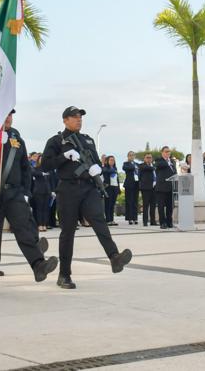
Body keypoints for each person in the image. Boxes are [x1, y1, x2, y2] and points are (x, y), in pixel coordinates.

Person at [41, 106, 131, 289]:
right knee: (68, 232)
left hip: (88, 188)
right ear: (65, 120)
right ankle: (64, 275)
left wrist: (97, 168)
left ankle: (114, 257)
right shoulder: (57, 141)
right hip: (68, 189)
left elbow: (96, 161)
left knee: (99, 221)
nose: (79, 120)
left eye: (80, 117)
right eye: (74, 117)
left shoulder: (88, 140)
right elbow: (45, 165)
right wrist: (64, 156)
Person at [0, 110, 58, 295]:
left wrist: (26, 192)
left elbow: (24, 168)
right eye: (4, 114)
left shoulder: (17, 139)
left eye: (10, 115)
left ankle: (38, 265)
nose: (7, 117)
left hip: (14, 193)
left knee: (25, 229)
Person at [154, 146, 177, 228]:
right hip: (161, 187)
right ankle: (162, 223)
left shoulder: (172, 161)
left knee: (170, 206)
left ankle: (169, 222)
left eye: (169, 151)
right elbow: (159, 165)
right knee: (161, 206)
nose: (168, 153)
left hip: (170, 187)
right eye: (166, 151)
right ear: (162, 152)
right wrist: (168, 162)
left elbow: (174, 172)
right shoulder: (159, 160)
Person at [30, 154, 52, 231]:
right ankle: (39, 224)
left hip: (47, 191)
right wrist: (42, 174)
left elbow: (51, 180)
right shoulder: (35, 168)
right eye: (40, 159)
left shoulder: (47, 169)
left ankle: (44, 224)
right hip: (38, 191)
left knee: (46, 209)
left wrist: (52, 191)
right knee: (39, 209)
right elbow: (33, 173)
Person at [137, 153, 157, 227]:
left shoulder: (154, 165)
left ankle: (153, 221)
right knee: (146, 205)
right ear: (144, 159)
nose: (149, 159)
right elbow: (148, 168)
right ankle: (145, 221)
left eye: (150, 157)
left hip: (154, 187)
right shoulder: (142, 165)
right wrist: (153, 167)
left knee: (153, 205)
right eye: (147, 157)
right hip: (146, 188)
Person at [122, 151, 140, 225]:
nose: (131, 156)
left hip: (136, 184)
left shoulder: (137, 164)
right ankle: (130, 218)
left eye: (133, 155)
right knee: (129, 201)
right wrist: (134, 166)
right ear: (128, 156)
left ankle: (135, 218)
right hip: (129, 184)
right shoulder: (126, 164)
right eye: (130, 155)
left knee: (135, 201)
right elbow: (125, 168)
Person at [102, 155, 120, 226]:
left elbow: (117, 179)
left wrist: (118, 188)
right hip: (108, 188)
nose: (112, 161)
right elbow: (105, 171)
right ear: (107, 161)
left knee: (112, 204)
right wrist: (112, 170)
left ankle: (112, 219)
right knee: (108, 204)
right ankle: (108, 220)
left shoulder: (115, 168)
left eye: (113, 160)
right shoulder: (105, 168)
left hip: (115, 187)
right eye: (111, 160)